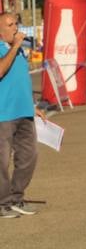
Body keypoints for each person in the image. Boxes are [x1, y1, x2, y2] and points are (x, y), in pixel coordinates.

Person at [0, 12, 41, 219]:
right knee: (2, 161)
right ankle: (2, 203)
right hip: (3, 114)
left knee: (29, 156)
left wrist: (33, 105)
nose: (15, 28)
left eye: (16, 24)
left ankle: (16, 197)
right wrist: (15, 46)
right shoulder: (10, 49)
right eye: (10, 25)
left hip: (24, 111)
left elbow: (21, 78)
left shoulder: (19, 51)